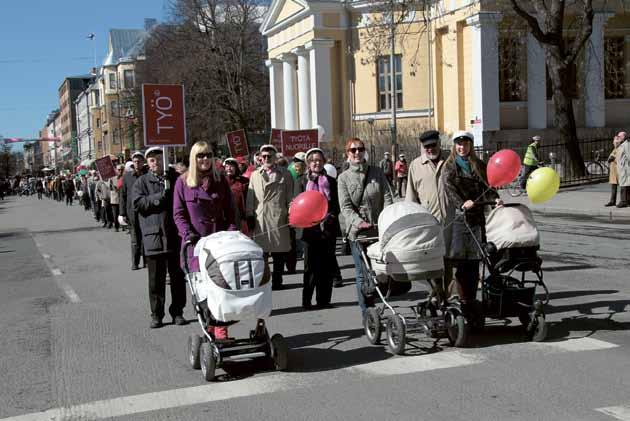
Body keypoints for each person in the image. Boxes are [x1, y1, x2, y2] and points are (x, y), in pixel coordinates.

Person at [173, 142, 236, 338]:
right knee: (202, 290)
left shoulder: (221, 181)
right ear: (194, 158)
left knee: (222, 285)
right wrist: (187, 233)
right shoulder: (183, 182)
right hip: (196, 245)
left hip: (220, 243)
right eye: (200, 156)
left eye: (208, 155)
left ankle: (220, 327)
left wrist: (232, 231)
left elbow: (232, 212)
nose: (205, 159)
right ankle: (210, 324)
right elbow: (178, 214)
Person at [438, 131, 503, 321]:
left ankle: (471, 300)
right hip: (461, 220)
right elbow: (448, 188)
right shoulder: (450, 167)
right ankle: (459, 300)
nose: (462, 147)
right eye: (459, 144)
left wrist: (495, 199)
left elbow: (488, 186)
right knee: (460, 262)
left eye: (465, 144)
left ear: (470, 146)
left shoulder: (478, 165)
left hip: (477, 219)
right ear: (454, 146)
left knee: (475, 262)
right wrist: (461, 203)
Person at [338, 138, 393, 317]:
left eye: (360, 149)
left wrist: (388, 217)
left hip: (379, 229)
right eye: (352, 150)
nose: (357, 153)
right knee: (363, 272)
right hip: (359, 232)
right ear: (347, 154)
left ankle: (381, 301)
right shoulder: (343, 178)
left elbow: (387, 196)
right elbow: (345, 207)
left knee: (382, 268)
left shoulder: (377, 172)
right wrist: (357, 222)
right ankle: (367, 312)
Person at [133, 147, 186, 329]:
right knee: (156, 280)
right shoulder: (142, 182)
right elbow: (138, 203)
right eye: (152, 160)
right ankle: (157, 314)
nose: (156, 163)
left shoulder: (176, 178)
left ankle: (177, 311)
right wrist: (158, 197)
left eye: (158, 159)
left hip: (174, 236)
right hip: (153, 237)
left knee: (178, 278)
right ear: (148, 163)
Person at [406, 129, 450, 301]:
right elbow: (411, 199)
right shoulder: (415, 166)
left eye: (433, 145)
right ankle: (437, 294)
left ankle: (449, 298)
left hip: (452, 222)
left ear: (439, 143)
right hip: (428, 225)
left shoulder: (450, 160)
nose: (430, 150)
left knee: (451, 263)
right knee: (431, 263)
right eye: (426, 147)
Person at [246, 144, 294, 290]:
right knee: (262, 254)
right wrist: (249, 215)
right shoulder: (255, 175)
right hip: (260, 218)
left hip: (279, 217)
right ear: (260, 158)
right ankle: (264, 281)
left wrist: (291, 216)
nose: (266, 158)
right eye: (264, 156)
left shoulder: (285, 174)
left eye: (269, 156)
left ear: (275, 157)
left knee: (279, 253)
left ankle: (278, 281)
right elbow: (250, 196)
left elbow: (290, 197)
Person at [301, 148, 340, 310]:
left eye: (319, 160)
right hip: (310, 229)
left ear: (324, 162)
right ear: (308, 164)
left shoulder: (331, 181)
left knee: (326, 266)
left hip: (327, 229)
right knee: (310, 266)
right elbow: (297, 202)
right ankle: (307, 300)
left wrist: (330, 216)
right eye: (313, 160)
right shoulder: (302, 182)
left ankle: (324, 300)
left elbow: (337, 204)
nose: (316, 163)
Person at [120, 151, 147, 270]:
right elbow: (123, 196)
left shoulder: (147, 175)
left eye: (139, 161)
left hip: (146, 210)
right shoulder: (127, 177)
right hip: (132, 212)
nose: (137, 163)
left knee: (146, 237)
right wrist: (122, 213)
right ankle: (135, 263)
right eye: (135, 161)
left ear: (143, 162)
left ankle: (147, 261)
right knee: (135, 239)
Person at [224, 157, 249, 234]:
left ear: (236, 168)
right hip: (227, 216)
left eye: (231, 166)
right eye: (227, 166)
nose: (229, 168)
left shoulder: (244, 181)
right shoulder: (222, 181)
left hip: (242, 217)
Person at [606, 135, 622, 207]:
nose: (614, 143)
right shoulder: (614, 149)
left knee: (623, 186)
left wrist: (612, 159)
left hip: (618, 170)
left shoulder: (620, 149)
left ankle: (623, 201)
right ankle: (612, 201)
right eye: (614, 142)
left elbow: (617, 158)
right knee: (614, 186)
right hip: (613, 171)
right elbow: (610, 158)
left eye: (616, 142)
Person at [617, 131, 630, 208]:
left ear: (623, 137)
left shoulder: (626, 145)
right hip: (622, 168)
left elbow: (629, 156)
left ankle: (623, 201)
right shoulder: (622, 145)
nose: (618, 137)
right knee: (625, 185)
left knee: (624, 185)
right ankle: (627, 201)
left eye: (619, 136)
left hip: (625, 169)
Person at [110, 165, 124, 232]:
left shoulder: (125, 178)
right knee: (115, 214)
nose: (120, 171)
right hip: (114, 199)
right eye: (119, 170)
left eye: (121, 169)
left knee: (122, 214)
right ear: (116, 170)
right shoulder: (112, 178)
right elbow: (108, 187)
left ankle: (124, 226)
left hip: (122, 199)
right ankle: (116, 227)